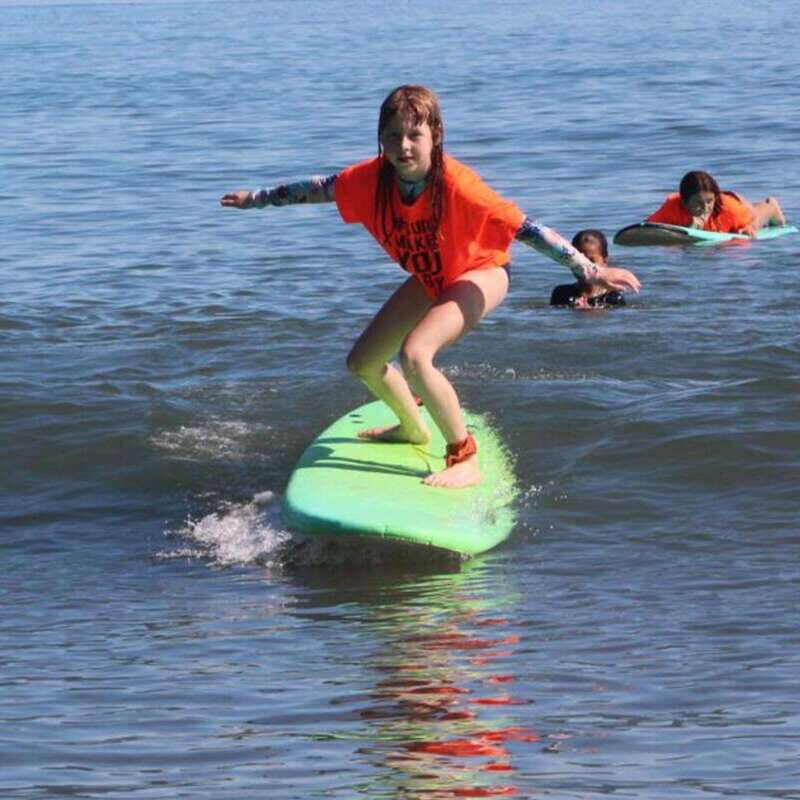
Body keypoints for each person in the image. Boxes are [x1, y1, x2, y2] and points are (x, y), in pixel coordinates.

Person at [221, 85, 640, 489]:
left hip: (482, 272)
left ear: (435, 136)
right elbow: (314, 190)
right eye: (392, 137)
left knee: (415, 354)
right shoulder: (369, 180)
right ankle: (412, 427)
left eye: (414, 135)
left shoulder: (458, 184)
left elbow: (527, 229)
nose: (403, 146)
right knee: (363, 363)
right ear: (380, 140)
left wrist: (587, 271)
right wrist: (254, 198)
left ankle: (464, 458)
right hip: (431, 276)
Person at [646, 170, 786, 236]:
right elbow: (647, 227)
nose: (706, 208)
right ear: (684, 202)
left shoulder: (728, 210)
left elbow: (752, 220)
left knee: (756, 218)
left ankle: (771, 206)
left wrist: (748, 227)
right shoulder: (673, 207)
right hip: (721, 202)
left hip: (733, 203)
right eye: (698, 203)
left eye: (709, 202)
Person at [550, 230, 626, 309]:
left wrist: (589, 310)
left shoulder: (614, 298)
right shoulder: (561, 293)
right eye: (577, 261)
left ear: (605, 261)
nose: (584, 267)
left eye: (591, 261)